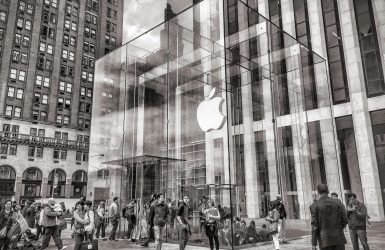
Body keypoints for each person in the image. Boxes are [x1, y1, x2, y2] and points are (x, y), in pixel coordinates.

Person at [310, 184, 348, 250]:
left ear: (318, 192)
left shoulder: (314, 206)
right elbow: (345, 219)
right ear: (328, 191)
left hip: (324, 240)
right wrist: (339, 228)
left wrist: (314, 243)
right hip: (339, 238)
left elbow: (314, 226)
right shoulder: (338, 202)